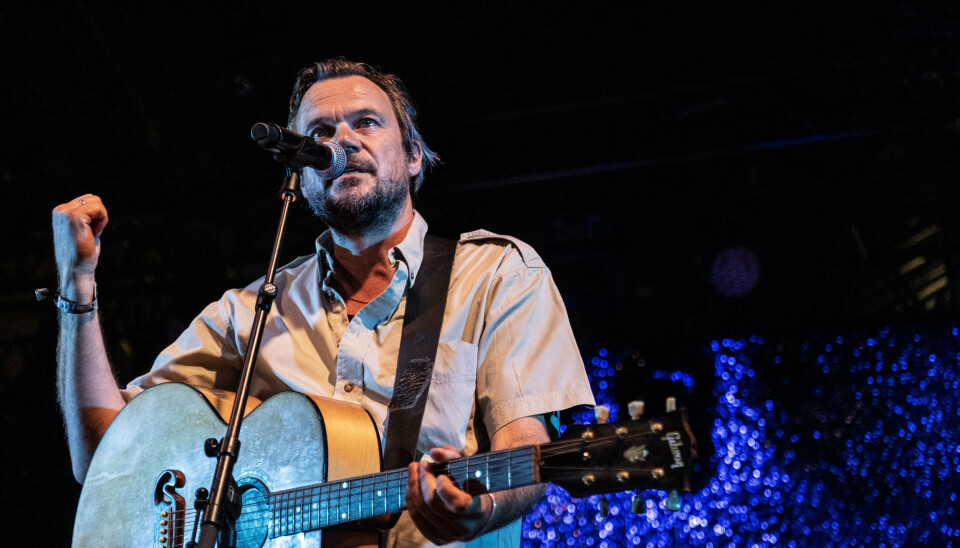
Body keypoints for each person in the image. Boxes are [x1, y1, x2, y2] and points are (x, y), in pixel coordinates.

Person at [52, 58, 595, 547]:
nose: (342, 141)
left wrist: (486, 506)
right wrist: (77, 285)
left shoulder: (497, 273)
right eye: (318, 133)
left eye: (366, 122)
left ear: (411, 156)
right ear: (303, 176)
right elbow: (105, 457)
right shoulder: (252, 311)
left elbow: (525, 445)